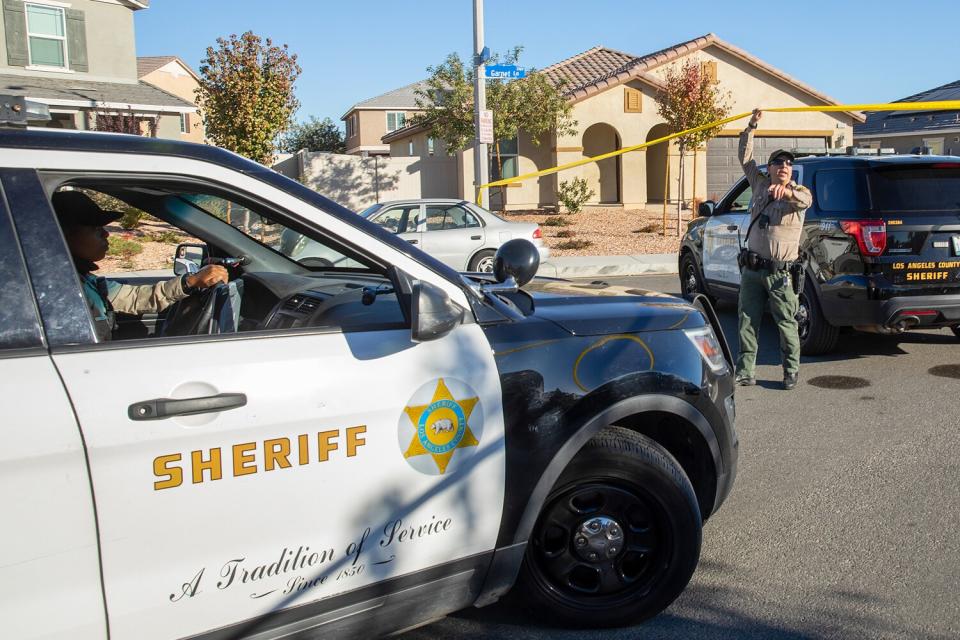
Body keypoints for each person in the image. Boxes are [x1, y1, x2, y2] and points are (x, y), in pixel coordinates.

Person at [53, 190, 229, 341]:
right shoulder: (59, 292)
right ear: (64, 235)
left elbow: (134, 298)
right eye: (95, 228)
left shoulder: (83, 280)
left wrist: (190, 282)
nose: (106, 234)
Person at [735, 109, 813, 390]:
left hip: (781, 275)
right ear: (768, 168)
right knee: (747, 322)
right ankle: (745, 371)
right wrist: (751, 126)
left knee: (786, 324)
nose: (784, 166)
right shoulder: (759, 185)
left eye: (788, 164)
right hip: (753, 270)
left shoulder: (798, 192)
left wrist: (788, 192)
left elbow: (806, 201)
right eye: (778, 162)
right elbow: (744, 157)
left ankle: (790, 371)